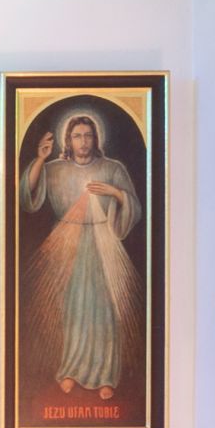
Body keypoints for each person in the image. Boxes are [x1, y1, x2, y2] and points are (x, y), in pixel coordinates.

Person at [22, 107, 143, 405]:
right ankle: (71, 369)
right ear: (68, 140)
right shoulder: (55, 169)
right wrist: (40, 159)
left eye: (88, 135)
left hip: (104, 244)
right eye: (77, 136)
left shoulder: (112, 168)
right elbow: (27, 194)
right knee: (74, 307)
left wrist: (115, 193)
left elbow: (134, 206)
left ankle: (105, 376)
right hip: (68, 245)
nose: (83, 141)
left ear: (96, 138)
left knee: (105, 309)